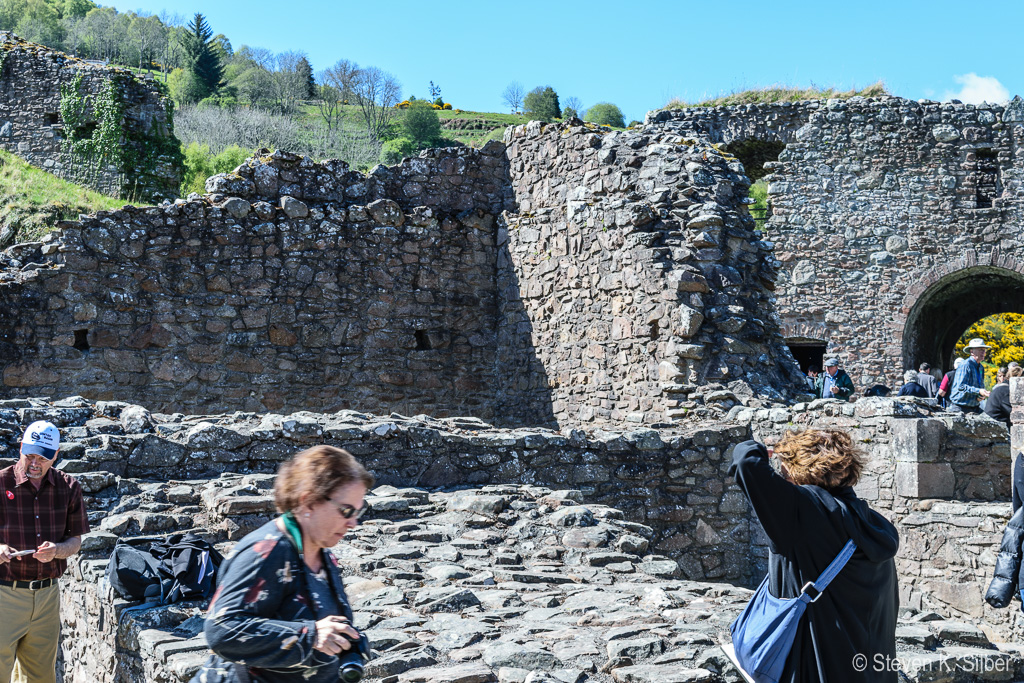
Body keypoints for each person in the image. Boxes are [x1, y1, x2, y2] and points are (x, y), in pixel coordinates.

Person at [193, 446, 375, 683]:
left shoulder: (322, 554)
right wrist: (310, 635)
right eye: (346, 510)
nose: (354, 523)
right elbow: (221, 630)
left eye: (358, 511)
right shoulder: (268, 551)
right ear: (308, 502)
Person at [729, 430, 899, 682]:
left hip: (813, 668)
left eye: (784, 470)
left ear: (797, 471)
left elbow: (745, 460)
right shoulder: (873, 524)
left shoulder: (799, 514)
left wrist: (773, 450)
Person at [0, 422, 89, 683]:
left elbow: (75, 541)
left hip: (48, 595)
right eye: (29, 456)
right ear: (20, 449)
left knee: (40, 677)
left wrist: (57, 550)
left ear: (56, 454)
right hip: (4, 592)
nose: (35, 463)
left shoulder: (69, 487)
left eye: (43, 457)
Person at [950, 338, 991, 413]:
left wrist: (981, 395)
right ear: (972, 352)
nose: (983, 352)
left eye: (984, 350)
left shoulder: (981, 367)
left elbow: (980, 386)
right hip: (960, 408)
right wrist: (979, 391)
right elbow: (961, 387)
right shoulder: (965, 365)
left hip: (974, 407)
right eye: (980, 350)